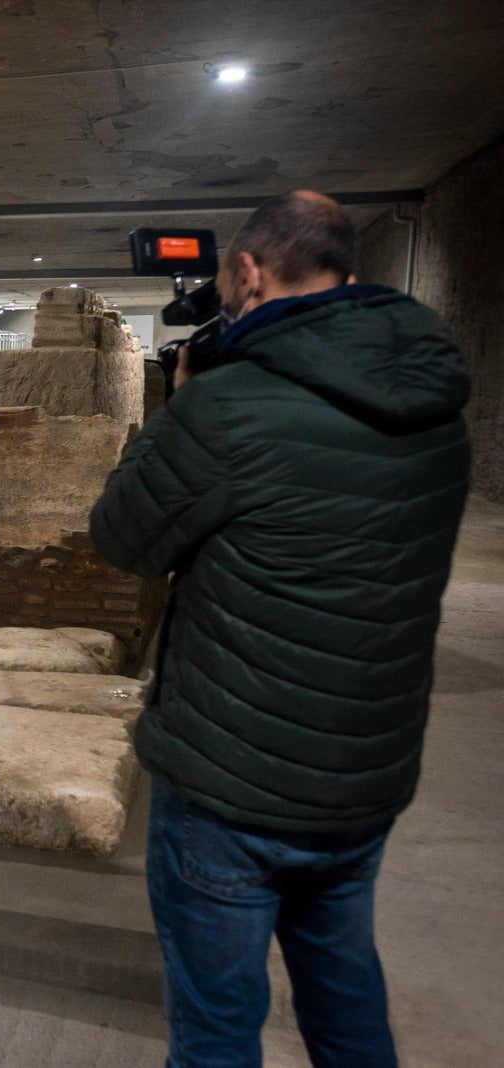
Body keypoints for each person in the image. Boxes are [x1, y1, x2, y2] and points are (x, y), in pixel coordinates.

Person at [89, 191, 472, 1067]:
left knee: (218, 1025)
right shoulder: (437, 408)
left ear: (250, 272)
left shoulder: (229, 409)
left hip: (234, 778)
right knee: (344, 996)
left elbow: (123, 539)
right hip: (363, 772)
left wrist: (175, 409)